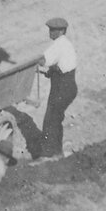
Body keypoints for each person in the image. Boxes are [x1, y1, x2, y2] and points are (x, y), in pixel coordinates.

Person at [37, 17, 78, 159]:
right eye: (50, 29)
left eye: (53, 30)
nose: (50, 32)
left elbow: (43, 60)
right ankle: (57, 152)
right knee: (56, 118)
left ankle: (48, 155)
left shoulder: (58, 44)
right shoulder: (67, 44)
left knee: (50, 120)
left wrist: (33, 60)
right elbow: (62, 66)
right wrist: (51, 71)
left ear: (61, 31)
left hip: (62, 88)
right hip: (68, 86)